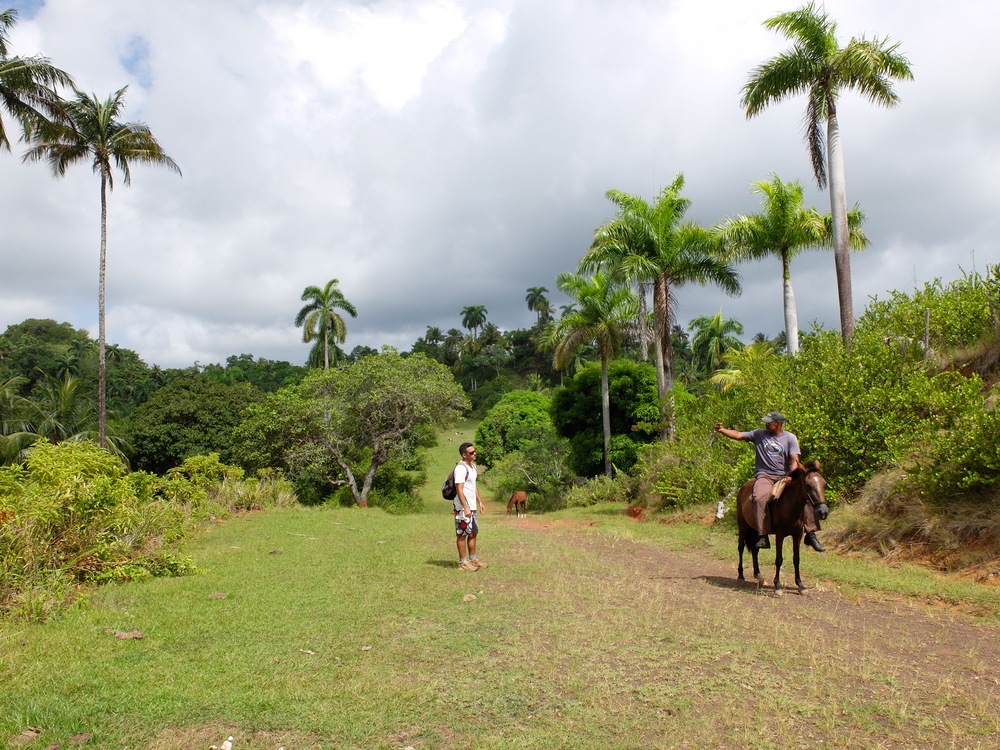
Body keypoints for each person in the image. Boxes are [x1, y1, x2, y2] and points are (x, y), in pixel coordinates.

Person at [714, 411, 824, 552]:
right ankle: (762, 534)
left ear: (778, 423)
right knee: (759, 498)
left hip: (783, 475)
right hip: (765, 476)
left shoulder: (790, 438)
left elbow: (795, 460)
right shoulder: (759, 434)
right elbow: (739, 435)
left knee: (806, 495)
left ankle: (811, 533)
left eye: (769, 422)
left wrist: (790, 475)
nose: (766, 424)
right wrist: (722, 430)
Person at [454, 442, 488, 571]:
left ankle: (473, 560)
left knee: (473, 533)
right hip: (462, 508)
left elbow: (473, 487)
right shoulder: (460, 468)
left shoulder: (472, 467)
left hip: (472, 506)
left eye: (475, 451)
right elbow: (459, 489)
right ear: (464, 455)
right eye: (471, 452)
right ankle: (463, 562)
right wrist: (465, 507)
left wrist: (479, 502)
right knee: (462, 533)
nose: (475, 453)